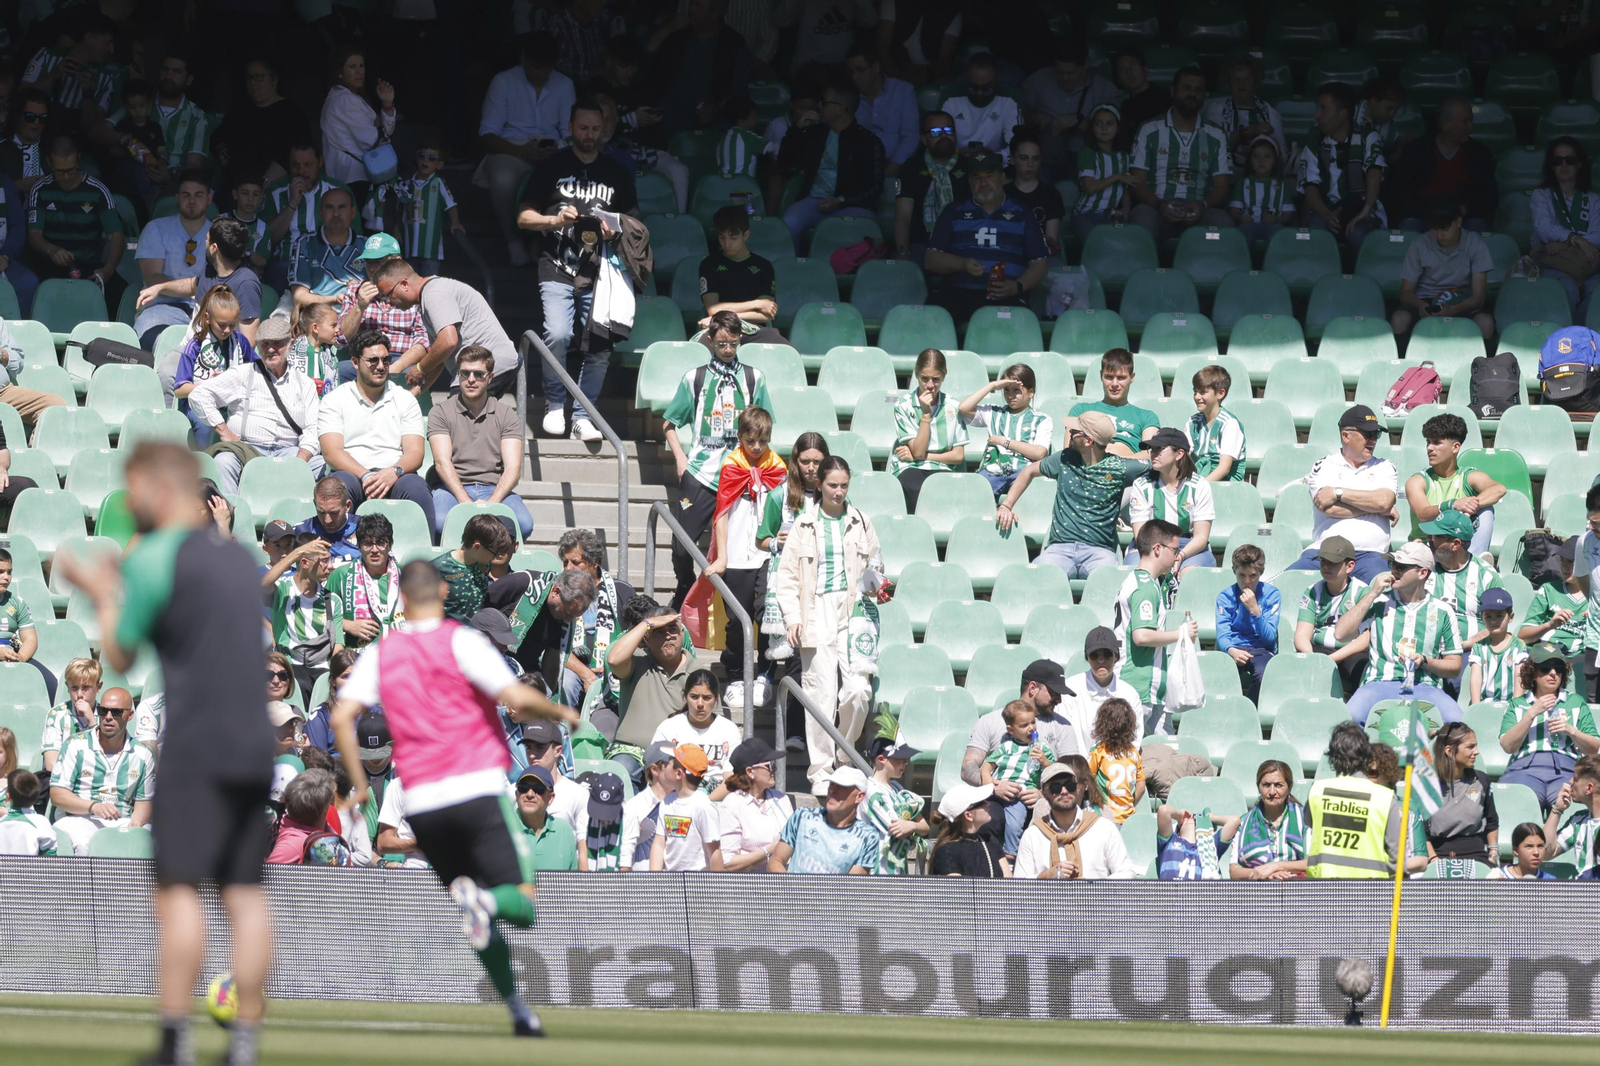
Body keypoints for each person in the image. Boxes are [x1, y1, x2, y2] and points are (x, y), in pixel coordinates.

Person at [59, 443, 276, 1066]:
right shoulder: (239, 557)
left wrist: (104, 590)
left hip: (198, 739)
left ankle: (174, 1039)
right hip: (253, 740)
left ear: (158, 489)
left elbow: (121, 659)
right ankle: (245, 1044)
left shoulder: (156, 556)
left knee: (180, 889)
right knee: (245, 893)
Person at [331, 557, 577, 1033]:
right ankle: (487, 906)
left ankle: (518, 1011)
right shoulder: (462, 641)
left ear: (401, 599)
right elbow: (517, 698)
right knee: (521, 904)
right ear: (443, 593)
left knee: (475, 916)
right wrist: (561, 711)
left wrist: (361, 784)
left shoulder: (384, 650)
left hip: (423, 805)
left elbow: (343, 717)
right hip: (478, 790)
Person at [516, 98, 638, 437]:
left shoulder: (616, 171)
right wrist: (555, 219)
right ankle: (555, 403)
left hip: (601, 271)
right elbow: (523, 217)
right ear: (569, 128)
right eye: (583, 128)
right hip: (556, 264)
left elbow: (634, 220)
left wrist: (617, 229)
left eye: (596, 129)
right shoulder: (551, 167)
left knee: (600, 345)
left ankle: (584, 415)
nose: (589, 135)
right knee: (557, 333)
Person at [773, 456, 883, 794]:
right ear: (819, 484)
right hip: (815, 609)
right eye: (832, 485)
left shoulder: (861, 521)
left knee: (858, 692)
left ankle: (844, 756)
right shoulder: (804, 525)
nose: (838, 491)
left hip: (854, 610)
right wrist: (792, 618)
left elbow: (876, 565)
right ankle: (821, 772)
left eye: (844, 485)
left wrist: (879, 586)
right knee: (820, 695)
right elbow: (787, 578)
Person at [662, 309, 773, 609]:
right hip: (700, 474)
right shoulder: (694, 378)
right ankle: (684, 584)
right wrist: (680, 459)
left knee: (740, 552)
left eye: (733, 344)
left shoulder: (754, 378)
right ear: (710, 340)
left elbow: (766, 426)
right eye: (721, 344)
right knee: (682, 547)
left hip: (739, 478)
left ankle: (726, 610)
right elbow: (669, 424)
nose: (727, 350)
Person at [698, 405, 785, 712]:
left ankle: (764, 674)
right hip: (736, 555)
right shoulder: (731, 465)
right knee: (737, 619)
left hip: (767, 553)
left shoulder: (778, 466)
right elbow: (720, 513)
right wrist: (722, 556)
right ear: (740, 437)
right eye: (751, 441)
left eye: (762, 441)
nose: (757, 448)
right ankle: (735, 675)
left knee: (768, 615)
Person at [998, 410, 1148, 579]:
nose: (1069, 433)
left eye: (1075, 432)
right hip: (1059, 549)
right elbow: (1029, 471)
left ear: (1089, 441)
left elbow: (1160, 467)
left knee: (1110, 582)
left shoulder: (1120, 467)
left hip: (1100, 552)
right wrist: (1006, 505)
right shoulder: (1064, 459)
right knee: (1035, 579)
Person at [186, 316, 323, 496]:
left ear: (291, 343)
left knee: (319, 464)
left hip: (289, 452)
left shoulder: (305, 384)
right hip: (247, 448)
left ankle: (299, 517)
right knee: (224, 461)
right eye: (265, 344)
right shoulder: (243, 373)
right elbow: (199, 395)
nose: (271, 349)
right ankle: (234, 514)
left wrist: (300, 460)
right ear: (258, 345)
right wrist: (224, 431)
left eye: (278, 343)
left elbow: (312, 429)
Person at [316, 329, 435, 531]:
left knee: (417, 488)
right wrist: (365, 475)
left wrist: (394, 472)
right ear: (355, 362)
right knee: (338, 487)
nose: (381, 366)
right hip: (352, 473)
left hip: (396, 474)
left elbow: (415, 453)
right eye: (373, 360)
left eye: (385, 360)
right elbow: (331, 452)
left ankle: (424, 557)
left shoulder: (405, 399)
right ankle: (337, 554)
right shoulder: (335, 400)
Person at [1337, 540, 1466, 727]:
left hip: (1425, 685)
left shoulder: (1443, 611)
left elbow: (1454, 668)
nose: (1394, 571)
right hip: (1379, 682)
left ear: (1422, 572)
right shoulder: (1378, 602)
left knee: (1456, 723)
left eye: (1401, 567)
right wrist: (1372, 594)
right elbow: (1341, 634)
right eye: (1392, 565)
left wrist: (1425, 661)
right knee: (1350, 720)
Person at [476, 34, 574, 265]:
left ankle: (542, 240)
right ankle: (514, 240)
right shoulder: (503, 81)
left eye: (544, 68)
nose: (539, 73)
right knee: (503, 179)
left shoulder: (564, 84)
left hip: (553, 149)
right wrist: (521, 152)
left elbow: (569, 132)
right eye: (534, 66)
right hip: (511, 148)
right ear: (523, 58)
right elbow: (488, 134)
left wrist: (555, 148)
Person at [924, 148, 1049, 325]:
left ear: (1002, 178)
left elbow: (1040, 264)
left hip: (1007, 296)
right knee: (930, 318)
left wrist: (1016, 286)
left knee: (1021, 326)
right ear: (969, 181)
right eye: (977, 177)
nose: (983, 183)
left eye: (990, 175)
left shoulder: (1023, 213)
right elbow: (931, 259)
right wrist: (963, 264)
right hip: (959, 294)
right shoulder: (953, 211)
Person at [426, 345, 532, 540]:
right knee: (441, 521)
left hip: (494, 486)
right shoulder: (440, 411)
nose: (471, 379)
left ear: (490, 377)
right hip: (451, 487)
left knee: (523, 524)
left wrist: (490, 504)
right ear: (458, 375)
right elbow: (442, 462)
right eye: (465, 373)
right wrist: (465, 502)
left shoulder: (506, 414)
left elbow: (513, 469)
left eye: (478, 374)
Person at [373, 260, 523, 399]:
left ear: (404, 284)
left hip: (486, 366)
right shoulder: (430, 295)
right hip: (491, 365)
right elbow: (441, 356)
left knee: (454, 422)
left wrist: (420, 368)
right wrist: (417, 392)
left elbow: (448, 342)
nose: (388, 303)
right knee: (469, 424)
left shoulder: (434, 294)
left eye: (387, 296)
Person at [1285, 405, 1397, 584]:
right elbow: (1328, 508)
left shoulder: (1385, 466)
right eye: (1368, 434)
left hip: (1371, 554)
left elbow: (1384, 501)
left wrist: (1338, 492)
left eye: (1376, 435)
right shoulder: (1324, 466)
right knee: (1289, 583)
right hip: (1324, 552)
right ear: (1346, 436)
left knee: (1386, 589)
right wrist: (1374, 508)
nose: (1373, 440)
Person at [776, 77, 884, 252]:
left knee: (857, 230)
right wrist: (796, 130)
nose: (818, 106)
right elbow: (784, 163)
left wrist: (841, 200)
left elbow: (875, 188)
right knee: (787, 225)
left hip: (852, 205)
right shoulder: (814, 133)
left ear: (841, 108)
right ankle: (793, 273)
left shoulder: (868, 141)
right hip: (814, 202)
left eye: (824, 103)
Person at [1127, 67, 1232, 244]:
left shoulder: (1217, 134)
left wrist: (1202, 205)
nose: (1192, 93)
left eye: (1198, 90)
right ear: (1173, 91)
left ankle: (1210, 272)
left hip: (1199, 210)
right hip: (1156, 207)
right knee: (1142, 221)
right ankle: (1146, 272)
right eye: (1186, 87)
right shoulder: (1149, 129)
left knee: (1222, 222)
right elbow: (1136, 182)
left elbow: (1222, 187)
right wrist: (1160, 205)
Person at [1113, 519, 1198, 735]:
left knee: (1165, 754)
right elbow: (1141, 636)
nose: (1177, 556)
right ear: (1157, 549)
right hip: (1137, 687)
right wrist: (1182, 633)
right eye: (1175, 550)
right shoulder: (1144, 587)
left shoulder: (1142, 582)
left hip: (1151, 689)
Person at [24, 134, 125, 315]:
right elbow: (34, 235)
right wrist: (51, 250)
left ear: (79, 160)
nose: (66, 176)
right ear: (49, 163)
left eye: (70, 170)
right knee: (29, 283)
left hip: (88, 263)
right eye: (59, 171)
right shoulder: (39, 189)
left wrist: (108, 269)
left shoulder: (98, 190)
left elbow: (116, 236)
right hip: (49, 264)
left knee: (119, 289)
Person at [47, 685, 153, 854]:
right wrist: (93, 806)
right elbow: (57, 794)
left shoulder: (142, 754)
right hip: (79, 818)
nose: (108, 717)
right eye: (104, 711)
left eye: (116, 712)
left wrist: (137, 823)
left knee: (149, 838)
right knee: (84, 841)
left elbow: (144, 801)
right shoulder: (76, 744)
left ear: (130, 715)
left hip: (122, 820)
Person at [137, 215, 262, 358]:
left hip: (221, 359)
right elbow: (191, 285)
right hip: (194, 349)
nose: (204, 242)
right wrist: (159, 288)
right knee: (165, 369)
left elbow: (248, 342)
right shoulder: (210, 270)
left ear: (214, 248)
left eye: (207, 240)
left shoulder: (246, 283)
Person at [604, 599, 698, 787]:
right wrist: (647, 624)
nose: (668, 636)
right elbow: (613, 660)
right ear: (646, 638)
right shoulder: (636, 661)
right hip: (630, 752)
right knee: (617, 775)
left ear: (681, 633)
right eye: (659, 631)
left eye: (672, 629)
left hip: (677, 753)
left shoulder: (698, 674)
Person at [1499, 643, 1600, 806]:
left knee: (1567, 804)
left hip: (1566, 767)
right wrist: (1531, 713)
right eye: (1545, 667)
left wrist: (1571, 730)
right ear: (1532, 672)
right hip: (1525, 767)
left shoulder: (1575, 702)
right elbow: (1507, 746)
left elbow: (1593, 747)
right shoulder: (1518, 705)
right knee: (1521, 804)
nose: (1553, 673)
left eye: (1558, 667)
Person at [1386, 97, 1498, 234]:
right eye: (1465, 122)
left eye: (1470, 121)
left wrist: (1464, 209)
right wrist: (1429, 212)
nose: (1471, 127)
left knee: (1478, 226)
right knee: (1409, 226)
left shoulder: (1479, 153)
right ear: (1446, 124)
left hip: (1462, 220)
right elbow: (1398, 195)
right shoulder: (1416, 151)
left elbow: (1489, 196)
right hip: (1423, 218)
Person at [1305, 722, 1402, 878]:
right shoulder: (1385, 797)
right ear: (1367, 757)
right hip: (1371, 892)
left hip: (1324, 890)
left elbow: (1310, 822)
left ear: (1332, 757)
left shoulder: (1318, 789)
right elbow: (1396, 858)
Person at [1393, 194, 1497, 341]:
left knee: (1485, 322)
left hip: (1461, 301)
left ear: (1459, 221)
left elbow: (1478, 298)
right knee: (1399, 318)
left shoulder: (1475, 245)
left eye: (1445, 229)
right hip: (1426, 301)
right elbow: (1405, 292)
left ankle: (1483, 364)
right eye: (1435, 229)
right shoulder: (1419, 244)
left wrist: (1453, 309)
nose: (1439, 235)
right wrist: (1420, 305)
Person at [1298, 81, 1387, 250]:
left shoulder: (1367, 136)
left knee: (1359, 236)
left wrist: (1367, 209)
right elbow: (1310, 187)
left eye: (1323, 109)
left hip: (1360, 211)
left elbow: (1375, 171)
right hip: (1325, 211)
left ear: (1343, 113)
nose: (1317, 115)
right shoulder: (1314, 139)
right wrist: (1327, 214)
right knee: (1313, 235)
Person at [553, 528, 634, 710]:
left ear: (595, 562)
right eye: (565, 562)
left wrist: (614, 665)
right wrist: (585, 674)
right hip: (571, 668)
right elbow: (550, 646)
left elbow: (636, 637)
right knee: (565, 684)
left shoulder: (622, 591)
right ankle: (565, 735)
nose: (568, 568)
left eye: (576, 562)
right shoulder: (556, 592)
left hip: (612, 667)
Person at [1013, 762, 1138, 879]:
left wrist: (1094, 887)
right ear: (1044, 794)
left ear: (1078, 788)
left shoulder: (1103, 827)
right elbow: (1019, 885)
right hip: (1050, 902)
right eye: (1055, 787)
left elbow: (1127, 872)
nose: (1064, 791)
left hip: (1096, 901)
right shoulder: (1033, 835)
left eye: (1069, 785)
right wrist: (1046, 876)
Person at [1404, 412, 1504, 558]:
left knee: (1486, 510)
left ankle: (1475, 560)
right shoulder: (1418, 480)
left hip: (1458, 547)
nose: (1429, 448)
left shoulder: (1468, 476)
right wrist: (1453, 505)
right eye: (1428, 442)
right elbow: (1423, 514)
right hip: (1426, 547)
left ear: (1455, 447)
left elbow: (1499, 489)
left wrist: (1469, 506)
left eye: (1437, 442)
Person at [1422, 509, 1505, 679]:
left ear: (1456, 544)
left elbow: (1499, 624)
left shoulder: (1486, 576)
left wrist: (1465, 644)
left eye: (1435, 537)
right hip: (1426, 650)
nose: (1429, 540)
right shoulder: (1423, 569)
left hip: (1468, 652)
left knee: (1459, 678)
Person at [131, 170, 211, 346]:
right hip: (161, 307)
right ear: (177, 198)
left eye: (199, 195)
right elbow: (153, 279)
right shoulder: (156, 228)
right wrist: (191, 290)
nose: (192, 201)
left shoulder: (218, 233)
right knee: (151, 342)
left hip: (206, 310)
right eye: (186, 195)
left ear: (209, 198)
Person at [172, 286, 258, 447]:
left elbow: (260, 371)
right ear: (207, 318)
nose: (227, 330)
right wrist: (211, 385)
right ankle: (203, 466)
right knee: (205, 425)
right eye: (222, 325)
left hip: (234, 403)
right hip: (199, 405)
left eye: (232, 325)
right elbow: (179, 390)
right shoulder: (195, 345)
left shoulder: (241, 342)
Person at [335, 233, 430, 376]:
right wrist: (360, 307)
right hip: (366, 360)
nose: (372, 268)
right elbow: (341, 339)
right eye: (368, 262)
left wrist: (396, 367)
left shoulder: (413, 291)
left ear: (397, 261)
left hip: (403, 360)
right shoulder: (355, 291)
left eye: (378, 262)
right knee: (341, 370)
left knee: (413, 373)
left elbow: (424, 341)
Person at [210, 57, 313, 186]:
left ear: (274, 79)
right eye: (249, 78)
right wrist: (228, 164)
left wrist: (262, 186)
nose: (253, 82)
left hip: (275, 189)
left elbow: (292, 154)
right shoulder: (239, 112)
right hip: (236, 187)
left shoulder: (291, 114)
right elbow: (217, 139)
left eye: (259, 77)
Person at [886, 348, 967, 511]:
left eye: (936, 379)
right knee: (915, 488)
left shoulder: (953, 406)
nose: (930, 385)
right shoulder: (903, 405)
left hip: (942, 469)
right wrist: (926, 414)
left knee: (948, 492)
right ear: (916, 374)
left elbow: (958, 456)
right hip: (910, 468)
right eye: (924, 378)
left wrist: (924, 457)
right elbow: (918, 452)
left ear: (944, 376)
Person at [1125, 427, 1215, 571]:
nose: (1153, 453)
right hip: (1150, 546)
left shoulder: (1199, 486)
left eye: (1159, 448)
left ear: (1179, 454)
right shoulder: (1141, 485)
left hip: (1188, 545)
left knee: (1189, 575)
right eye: (1151, 449)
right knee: (1141, 571)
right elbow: (1140, 535)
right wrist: (1162, 557)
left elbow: (1201, 537)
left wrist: (1180, 556)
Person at [263, 143, 352, 289]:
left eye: (308, 165)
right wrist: (292, 203)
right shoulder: (275, 191)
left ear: (320, 162)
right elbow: (267, 238)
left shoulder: (339, 191)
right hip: (286, 263)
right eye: (295, 165)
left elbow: (353, 236)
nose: (301, 171)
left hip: (328, 261)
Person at [1531, 137, 1600, 322]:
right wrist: (1576, 240)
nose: (1563, 165)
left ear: (1579, 164)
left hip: (1586, 264)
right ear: (1551, 166)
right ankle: (1564, 340)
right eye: (1557, 160)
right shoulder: (1541, 195)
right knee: (1567, 288)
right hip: (1553, 263)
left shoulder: (1593, 199)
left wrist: (1565, 244)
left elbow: (1597, 235)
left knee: (1597, 290)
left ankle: (1583, 336)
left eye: (1570, 160)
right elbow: (1545, 229)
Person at [957, 362, 1050, 498]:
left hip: (1023, 473)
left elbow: (1040, 453)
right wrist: (992, 385)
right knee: (976, 495)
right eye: (1006, 389)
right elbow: (963, 408)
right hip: (992, 471)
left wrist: (1005, 442)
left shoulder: (1042, 419)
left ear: (1031, 392)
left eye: (1016, 390)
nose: (1010, 395)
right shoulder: (993, 412)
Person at [767, 765, 880, 875]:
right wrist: (794, 891)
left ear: (859, 797)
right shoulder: (803, 816)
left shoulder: (867, 836)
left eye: (842, 787)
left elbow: (852, 887)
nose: (833, 790)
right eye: (832, 784)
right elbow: (776, 861)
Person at [1023, 39, 1119, 166]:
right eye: (1060, 72)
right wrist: (1037, 118)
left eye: (1070, 72)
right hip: (1043, 154)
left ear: (1085, 64)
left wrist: (1079, 121)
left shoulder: (1105, 90)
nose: (1065, 78)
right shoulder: (1039, 79)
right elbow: (1017, 115)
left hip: (1086, 157)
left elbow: (1116, 133)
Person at [319, 45, 396, 202]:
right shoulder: (343, 100)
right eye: (352, 67)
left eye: (361, 66)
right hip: (352, 178)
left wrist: (387, 103)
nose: (359, 71)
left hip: (353, 177)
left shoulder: (349, 98)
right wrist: (381, 131)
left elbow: (385, 130)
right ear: (339, 72)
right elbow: (373, 139)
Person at [981, 698, 1055, 858]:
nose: (1031, 728)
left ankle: (1010, 854)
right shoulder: (1006, 747)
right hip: (996, 791)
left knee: (1015, 824)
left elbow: (1053, 774)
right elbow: (988, 764)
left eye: (1033, 722)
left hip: (1017, 796)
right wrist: (987, 779)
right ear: (1011, 730)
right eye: (1024, 725)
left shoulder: (1042, 749)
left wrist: (1044, 762)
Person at [648, 668, 741, 793]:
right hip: (675, 798)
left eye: (707, 698)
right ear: (685, 696)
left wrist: (704, 804)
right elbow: (657, 775)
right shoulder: (669, 727)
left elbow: (730, 780)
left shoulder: (729, 730)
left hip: (716, 799)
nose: (700, 704)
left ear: (716, 699)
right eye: (694, 697)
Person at [698, 206, 784, 342]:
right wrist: (758, 303)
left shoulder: (764, 266)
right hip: (719, 329)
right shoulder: (709, 264)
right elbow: (713, 310)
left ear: (746, 235)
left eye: (733, 238)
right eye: (722, 237)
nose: (726, 244)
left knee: (788, 352)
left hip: (755, 330)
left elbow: (766, 314)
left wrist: (725, 315)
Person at [893, 111, 967, 263]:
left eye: (948, 130)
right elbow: (903, 217)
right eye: (935, 132)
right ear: (924, 139)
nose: (943, 136)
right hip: (921, 245)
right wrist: (903, 254)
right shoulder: (911, 167)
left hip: (961, 244)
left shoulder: (969, 167)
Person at [324, 516, 402, 657]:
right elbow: (320, 615)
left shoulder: (405, 576)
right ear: (358, 546)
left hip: (399, 657)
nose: (374, 549)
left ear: (390, 545)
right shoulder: (341, 575)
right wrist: (346, 624)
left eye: (381, 542)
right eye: (367, 543)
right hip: (356, 658)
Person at [1426, 721, 1500, 865]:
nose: (1476, 751)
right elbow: (1421, 833)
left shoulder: (1481, 780)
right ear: (1449, 751)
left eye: (1476, 746)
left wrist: (1493, 853)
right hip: (1439, 857)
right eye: (1470, 747)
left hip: (1477, 856)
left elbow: (1492, 822)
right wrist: (1434, 860)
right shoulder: (1427, 787)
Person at [284, 185, 365, 314]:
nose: (336, 214)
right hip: (318, 317)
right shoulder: (305, 243)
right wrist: (334, 299)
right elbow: (299, 297)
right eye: (329, 207)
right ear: (321, 213)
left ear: (353, 212)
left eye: (342, 207)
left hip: (358, 315)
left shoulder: (367, 246)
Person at [1216, 544, 1280, 705]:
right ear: (1234, 572)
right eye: (1241, 575)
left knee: (1265, 674)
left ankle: (1246, 709)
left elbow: (1269, 638)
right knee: (1217, 676)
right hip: (1233, 647)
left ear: (1261, 573)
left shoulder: (1272, 595)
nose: (1247, 582)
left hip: (1260, 649)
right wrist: (1232, 650)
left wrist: (1255, 611)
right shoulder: (1225, 597)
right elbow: (1222, 634)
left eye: (1252, 575)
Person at [1201, 55, 1286, 175]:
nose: (1241, 84)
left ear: (1255, 83)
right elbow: (1209, 146)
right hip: (1223, 173)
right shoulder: (1217, 107)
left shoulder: (1269, 112)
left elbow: (1281, 155)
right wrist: (1249, 132)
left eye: (1246, 79)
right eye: (1236, 80)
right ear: (1229, 83)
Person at [718, 737, 792, 873]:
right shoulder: (731, 805)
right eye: (769, 765)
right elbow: (727, 862)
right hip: (748, 887)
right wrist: (770, 850)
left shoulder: (782, 799)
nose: (774, 769)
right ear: (750, 772)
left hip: (782, 881)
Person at [647, 742, 723, 872]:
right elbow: (659, 844)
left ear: (679, 774)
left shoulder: (703, 806)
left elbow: (714, 853)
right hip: (670, 884)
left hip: (698, 886)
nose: (665, 766)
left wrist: (717, 889)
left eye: (669, 762)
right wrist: (655, 880)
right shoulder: (667, 801)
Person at [1072, 348, 1161, 458]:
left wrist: (1116, 463)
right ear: (1101, 375)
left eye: (1121, 378)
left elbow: (1151, 455)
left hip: (1131, 473)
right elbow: (1070, 450)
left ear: (1132, 377)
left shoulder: (1147, 417)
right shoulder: (1080, 410)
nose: (1115, 384)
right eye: (1109, 377)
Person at [860, 737, 928, 875]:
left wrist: (912, 826)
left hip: (897, 867)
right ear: (881, 759)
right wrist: (912, 825)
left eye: (906, 759)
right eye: (900, 758)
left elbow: (924, 827)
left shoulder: (897, 788)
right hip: (877, 868)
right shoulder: (871, 792)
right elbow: (897, 828)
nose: (906, 763)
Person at [1230, 760, 1309, 880]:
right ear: (1258, 787)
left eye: (1279, 785)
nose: (1272, 792)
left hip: (1296, 889)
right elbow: (1234, 871)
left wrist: (1275, 866)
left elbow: (1312, 863)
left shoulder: (1305, 819)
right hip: (1258, 889)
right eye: (1266, 785)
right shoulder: (1244, 823)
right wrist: (1263, 874)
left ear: (1289, 787)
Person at [846, 40, 917, 173]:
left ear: (876, 67)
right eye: (851, 72)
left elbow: (911, 136)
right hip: (861, 167)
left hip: (897, 165)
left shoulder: (903, 90)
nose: (855, 77)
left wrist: (891, 168)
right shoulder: (850, 96)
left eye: (860, 70)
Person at [1520, 535, 1588, 672]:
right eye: (1562, 561)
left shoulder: (1596, 596)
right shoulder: (1548, 589)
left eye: (1571, 562)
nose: (1565, 566)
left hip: (1579, 659)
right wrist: (1550, 624)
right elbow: (1523, 636)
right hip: (1545, 655)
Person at [435, 514, 518, 623]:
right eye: (494, 552)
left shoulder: (483, 563)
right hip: (449, 636)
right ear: (477, 547)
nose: (495, 557)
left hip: (477, 633)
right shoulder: (438, 568)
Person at [940, 53, 1020, 159]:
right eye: (973, 87)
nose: (979, 93)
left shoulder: (1011, 99)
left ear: (996, 80)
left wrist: (991, 158)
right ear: (966, 79)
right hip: (956, 162)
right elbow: (938, 138)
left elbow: (1015, 147)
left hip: (996, 166)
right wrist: (956, 156)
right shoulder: (950, 96)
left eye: (986, 88)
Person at [1070, 103, 1132, 241]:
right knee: (1097, 243)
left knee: (1125, 243)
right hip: (1086, 214)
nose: (1104, 128)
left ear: (1118, 127)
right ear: (1092, 128)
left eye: (1110, 123)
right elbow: (1090, 187)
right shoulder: (1088, 153)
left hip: (1112, 214)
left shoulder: (1124, 156)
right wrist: (1117, 176)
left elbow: (1125, 187)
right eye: (1098, 124)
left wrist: (1126, 210)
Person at [0, 547, 54, 702]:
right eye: (0, 572)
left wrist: (21, 658)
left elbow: (30, 639)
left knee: (50, 683)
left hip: (13, 654)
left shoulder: (17, 603)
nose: (6, 578)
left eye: (9, 572)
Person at [508, 765, 579, 872]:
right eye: (524, 787)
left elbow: (573, 881)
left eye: (538, 789)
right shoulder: (501, 830)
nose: (530, 794)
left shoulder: (564, 831)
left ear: (550, 798)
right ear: (517, 794)